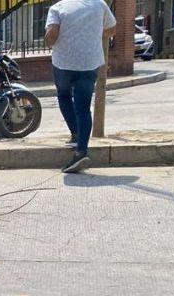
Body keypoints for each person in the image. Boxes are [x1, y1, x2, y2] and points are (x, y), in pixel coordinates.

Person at [45, 0, 116, 173]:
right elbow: (112, 29)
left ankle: (76, 133)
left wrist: (49, 42)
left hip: (63, 62)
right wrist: (92, 32)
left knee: (63, 95)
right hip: (89, 62)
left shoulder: (58, 7)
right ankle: (81, 151)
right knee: (83, 108)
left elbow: (51, 34)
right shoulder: (100, 5)